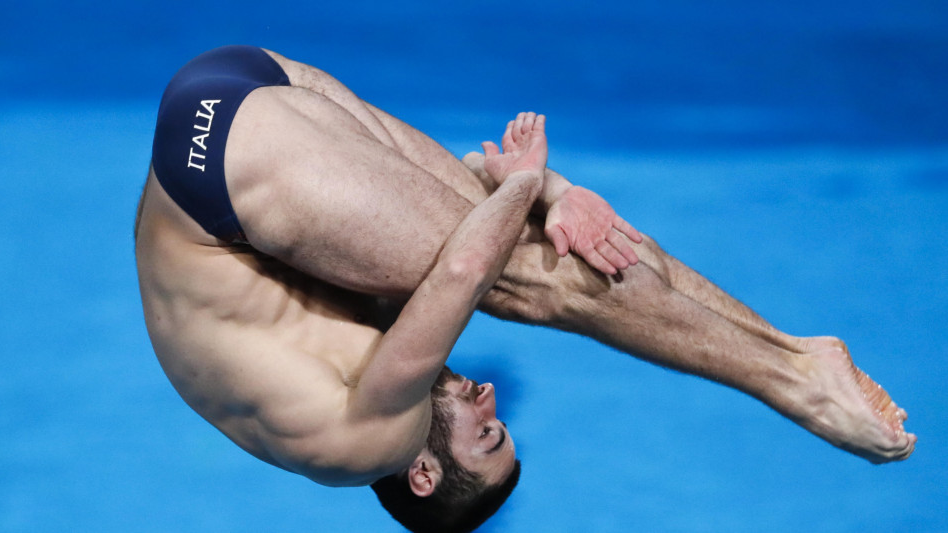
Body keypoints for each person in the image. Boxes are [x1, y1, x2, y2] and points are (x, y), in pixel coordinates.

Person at [135, 46, 915, 532]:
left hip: (220, 164)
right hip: (237, 87)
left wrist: (539, 183)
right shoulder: (349, 369)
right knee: (528, 241)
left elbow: (470, 268)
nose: (487, 399)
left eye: (487, 434)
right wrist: (549, 193)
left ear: (424, 472)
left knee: (514, 281)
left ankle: (798, 378)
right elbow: (447, 202)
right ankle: (792, 354)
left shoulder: (366, 442)